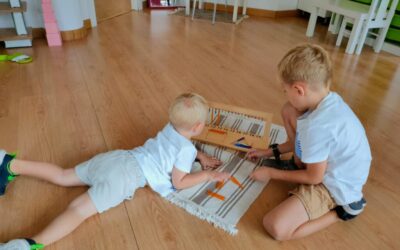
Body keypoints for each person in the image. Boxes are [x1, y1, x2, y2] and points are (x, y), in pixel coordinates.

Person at [0, 93, 230, 250]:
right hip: (124, 178)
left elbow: (177, 145)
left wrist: (198, 155)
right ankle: (29, 244)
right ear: (198, 127)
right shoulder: (187, 149)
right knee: (78, 211)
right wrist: (208, 174)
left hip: (117, 158)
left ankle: (10, 164)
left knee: (63, 175)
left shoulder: (170, 127)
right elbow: (180, 182)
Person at [247, 44, 371, 240]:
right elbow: (300, 142)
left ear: (299, 89)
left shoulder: (318, 127)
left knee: (276, 227)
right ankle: (298, 168)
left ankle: (343, 212)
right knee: (289, 109)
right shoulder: (326, 100)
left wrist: (271, 173)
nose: (284, 94)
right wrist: (267, 152)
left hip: (333, 185)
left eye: (285, 90)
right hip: (327, 165)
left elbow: (314, 178)